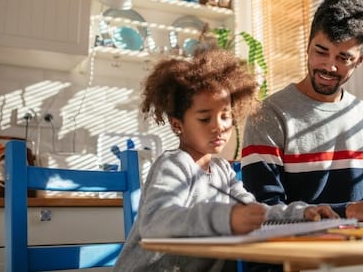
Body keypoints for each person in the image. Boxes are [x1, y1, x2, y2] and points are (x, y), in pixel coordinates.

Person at [114, 48, 338, 272]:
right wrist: (226, 218)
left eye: (225, 116)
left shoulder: (222, 170)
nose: (219, 126)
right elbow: (156, 223)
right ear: (177, 124)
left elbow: (255, 212)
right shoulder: (173, 165)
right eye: (205, 118)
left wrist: (302, 214)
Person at [241, 0, 363, 221]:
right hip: (294, 254)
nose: (329, 67)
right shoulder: (269, 115)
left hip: (360, 250)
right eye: (321, 52)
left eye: (343, 58)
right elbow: (265, 213)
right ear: (308, 45)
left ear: (360, 59)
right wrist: (352, 211)